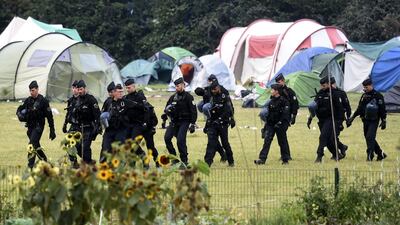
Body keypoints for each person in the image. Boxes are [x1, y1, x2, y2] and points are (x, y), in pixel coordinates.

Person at [17, 81, 56, 168]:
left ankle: (30, 166)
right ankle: (44, 161)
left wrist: (52, 130)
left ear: (37, 89)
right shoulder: (28, 100)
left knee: (31, 145)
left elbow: (50, 117)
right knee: (36, 145)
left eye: (33, 90)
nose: (31, 92)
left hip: (38, 127)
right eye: (30, 90)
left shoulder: (43, 101)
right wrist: (19, 114)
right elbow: (20, 109)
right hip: (30, 128)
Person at [347, 78, 387, 161]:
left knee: (369, 137)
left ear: (371, 85)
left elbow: (382, 109)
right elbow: (360, 108)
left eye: (366, 87)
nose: (365, 89)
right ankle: (380, 154)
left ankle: (370, 154)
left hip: (374, 120)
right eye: (364, 87)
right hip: (365, 120)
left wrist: (384, 120)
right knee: (369, 137)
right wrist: (352, 118)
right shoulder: (364, 96)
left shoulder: (378, 96)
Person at [307, 77, 344, 163]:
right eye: (321, 86)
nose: (322, 87)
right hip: (321, 119)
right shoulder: (320, 93)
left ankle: (319, 156)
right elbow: (314, 106)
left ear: (328, 84)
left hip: (331, 119)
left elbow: (340, 109)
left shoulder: (334, 94)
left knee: (323, 137)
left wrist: (340, 122)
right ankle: (338, 155)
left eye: (324, 85)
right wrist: (310, 118)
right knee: (328, 140)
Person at [162, 77, 197, 166]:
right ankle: (174, 159)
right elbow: (166, 109)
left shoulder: (189, 97)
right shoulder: (173, 97)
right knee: (167, 138)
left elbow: (193, 111)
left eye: (178, 86)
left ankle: (184, 160)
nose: (177, 88)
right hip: (174, 122)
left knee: (180, 140)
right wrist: (164, 118)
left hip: (184, 122)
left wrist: (192, 124)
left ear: (183, 85)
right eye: (176, 86)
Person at [194, 74, 229, 162]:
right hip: (211, 118)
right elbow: (204, 94)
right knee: (212, 137)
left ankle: (220, 156)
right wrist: (200, 92)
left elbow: (227, 106)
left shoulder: (222, 91)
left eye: (212, 81)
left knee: (214, 138)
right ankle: (222, 154)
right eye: (209, 81)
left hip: (218, 118)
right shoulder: (208, 89)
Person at [254, 84, 291, 165]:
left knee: (282, 142)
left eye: (272, 90)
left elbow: (285, 114)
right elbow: (269, 115)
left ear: (277, 91)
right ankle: (262, 159)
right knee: (267, 141)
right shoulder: (271, 101)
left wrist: (280, 123)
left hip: (280, 125)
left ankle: (285, 159)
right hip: (271, 124)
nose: (271, 91)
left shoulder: (284, 101)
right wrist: (265, 127)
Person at [204, 81, 235, 167]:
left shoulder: (225, 97)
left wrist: (231, 119)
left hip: (222, 123)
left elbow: (228, 110)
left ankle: (231, 161)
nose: (213, 91)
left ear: (218, 88)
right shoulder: (211, 97)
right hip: (213, 123)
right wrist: (207, 125)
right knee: (211, 143)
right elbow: (210, 113)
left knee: (225, 143)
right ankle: (207, 163)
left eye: (214, 89)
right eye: (212, 90)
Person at [73, 80, 101, 164]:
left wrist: (97, 127)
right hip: (79, 127)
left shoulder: (91, 99)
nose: (80, 91)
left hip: (89, 128)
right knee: (76, 146)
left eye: (81, 89)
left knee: (85, 147)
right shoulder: (77, 100)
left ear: (85, 88)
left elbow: (97, 114)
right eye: (78, 90)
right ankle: (89, 161)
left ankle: (87, 164)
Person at [100, 84, 127, 163]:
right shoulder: (108, 102)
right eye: (119, 92)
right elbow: (102, 114)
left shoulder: (126, 102)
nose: (121, 93)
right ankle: (102, 166)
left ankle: (120, 168)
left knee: (120, 150)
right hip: (109, 130)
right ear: (114, 92)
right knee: (105, 148)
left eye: (122, 92)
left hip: (121, 130)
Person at [275, 74, 299, 160]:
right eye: (277, 82)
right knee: (280, 136)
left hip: (286, 117)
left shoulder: (289, 91)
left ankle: (286, 155)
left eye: (279, 82)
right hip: (278, 117)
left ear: (283, 81)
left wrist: (294, 116)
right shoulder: (276, 92)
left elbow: (295, 104)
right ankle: (285, 155)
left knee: (282, 135)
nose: (278, 83)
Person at [330, 77, 350, 157]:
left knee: (333, 136)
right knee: (329, 136)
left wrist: (348, 118)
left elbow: (347, 106)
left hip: (338, 118)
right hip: (328, 118)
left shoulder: (341, 93)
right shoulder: (325, 93)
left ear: (334, 84)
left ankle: (337, 152)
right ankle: (341, 147)